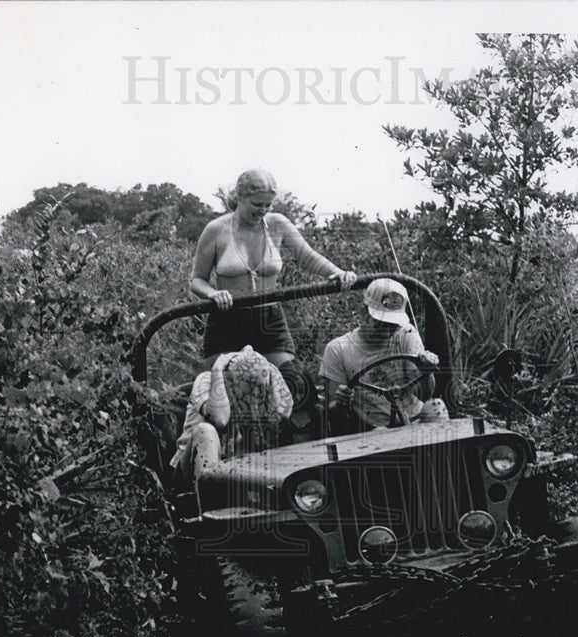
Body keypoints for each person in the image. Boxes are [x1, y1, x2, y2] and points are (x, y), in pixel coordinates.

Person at [190, 169, 359, 372]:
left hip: (269, 319)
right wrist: (213, 293)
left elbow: (308, 257)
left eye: (267, 205)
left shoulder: (277, 224)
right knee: (226, 386)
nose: (262, 210)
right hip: (228, 321)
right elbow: (197, 279)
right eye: (256, 204)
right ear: (241, 197)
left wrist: (338, 272)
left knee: (294, 381)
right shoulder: (216, 230)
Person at [319, 278, 445, 435]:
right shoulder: (338, 350)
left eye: (392, 326)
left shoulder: (407, 334)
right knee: (380, 434)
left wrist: (426, 372)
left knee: (437, 407)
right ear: (363, 313)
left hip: (415, 419)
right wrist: (342, 400)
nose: (386, 333)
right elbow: (335, 413)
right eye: (380, 324)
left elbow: (425, 395)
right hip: (373, 430)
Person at [170, 345, 293, 483]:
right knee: (206, 431)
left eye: (258, 388)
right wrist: (217, 369)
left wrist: (270, 373)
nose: (253, 395)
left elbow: (282, 416)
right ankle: (209, 500)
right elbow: (220, 419)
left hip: (235, 474)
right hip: (189, 473)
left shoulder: (264, 386)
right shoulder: (206, 380)